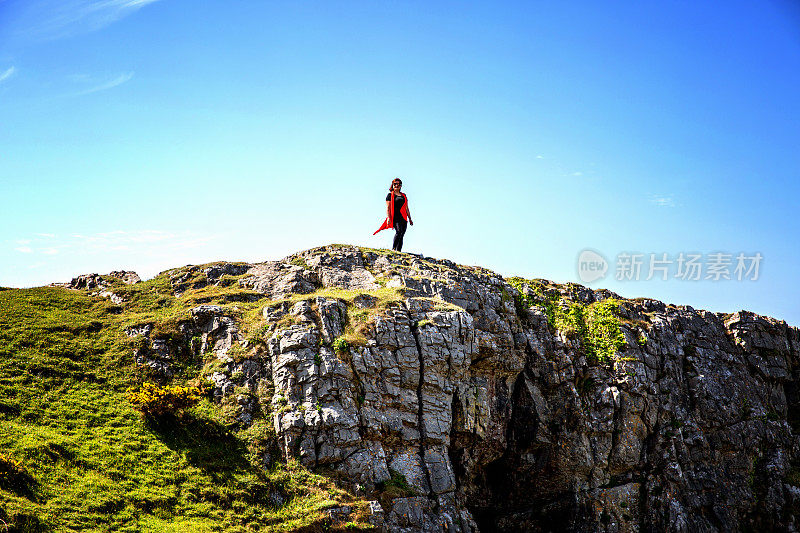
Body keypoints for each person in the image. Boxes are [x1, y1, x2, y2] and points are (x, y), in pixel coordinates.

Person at [373, 177, 414, 251]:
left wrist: (410, 218)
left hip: (403, 217)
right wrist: (388, 218)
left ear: (401, 186)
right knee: (399, 231)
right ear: (392, 185)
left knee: (402, 234)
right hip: (395, 217)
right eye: (395, 184)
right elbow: (388, 208)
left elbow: (406, 208)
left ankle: (398, 251)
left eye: (398, 184)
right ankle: (393, 248)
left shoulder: (403, 195)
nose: (396, 186)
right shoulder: (390, 195)